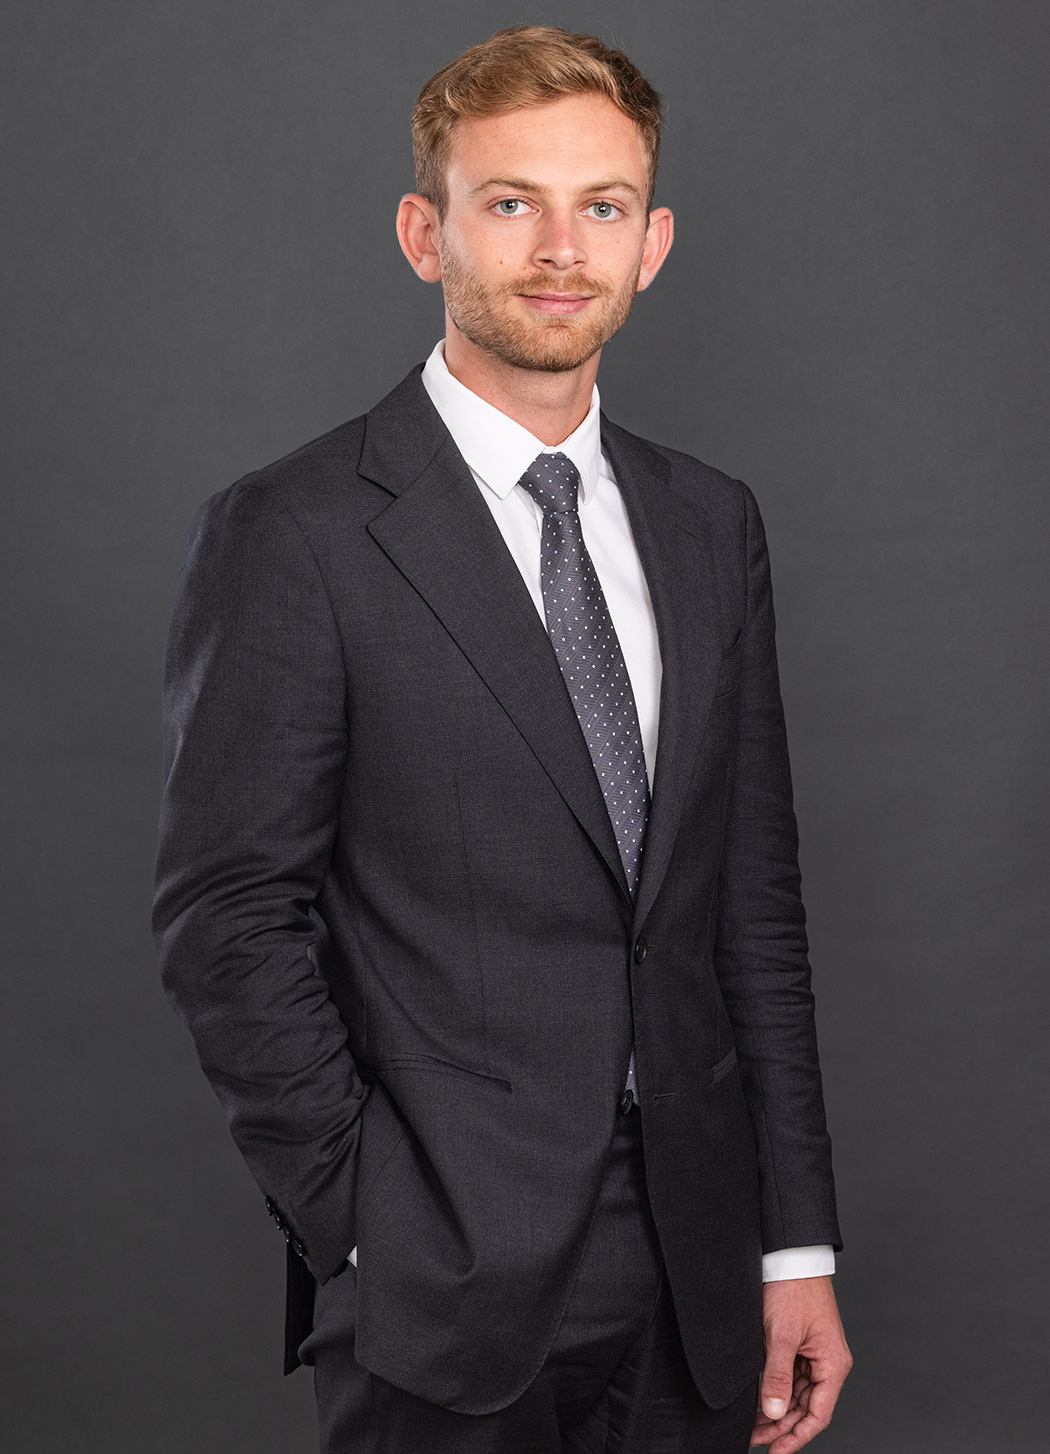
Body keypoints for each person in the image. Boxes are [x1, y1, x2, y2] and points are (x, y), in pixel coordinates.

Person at [154, 25, 851, 1454]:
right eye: (511, 200)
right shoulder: (295, 530)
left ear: (651, 243)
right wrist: (363, 1218)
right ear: (428, 232)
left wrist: (793, 1246)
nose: (559, 249)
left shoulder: (709, 523)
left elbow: (750, 908)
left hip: (699, 1257)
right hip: (439, 1263)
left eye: (602, 205)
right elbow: (227, 918)